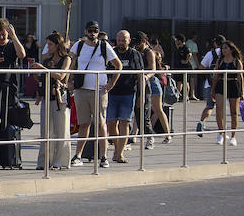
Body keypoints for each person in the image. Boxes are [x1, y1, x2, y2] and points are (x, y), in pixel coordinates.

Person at [70, 21, 122, 167]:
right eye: (90, 30)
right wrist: (69, 80)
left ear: (98, 32)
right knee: (83, 124)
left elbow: (118, 65)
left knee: (101, 123)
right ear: (85, 31)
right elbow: (71, 61)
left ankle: (104, 156)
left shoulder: (105, 46)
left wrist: (111, 84)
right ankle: (78, 155)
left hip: (99, 90)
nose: (92, 33)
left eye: (95, 30)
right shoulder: (79, 45)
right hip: (81, 90)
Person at [31, 31, 73, 170]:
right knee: (45, 131)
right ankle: (44, 161)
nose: (48, 47)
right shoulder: (47, 60)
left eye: (50, 44)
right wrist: (36, 70)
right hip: (46, 96)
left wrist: (44, 69)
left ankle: (60, 161)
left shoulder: (66, 59)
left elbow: (61, 75)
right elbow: (41, 78)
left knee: (61, 130)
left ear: (57, 45)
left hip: (60, 97)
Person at [106, 30, 143, 163]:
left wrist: (141, 96)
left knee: (124, 123)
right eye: (120, 40)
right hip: (112, 93)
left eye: (124, 40)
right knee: (111, 124)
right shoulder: (111, 53)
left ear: (129, 40)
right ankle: (117, 148)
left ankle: (120, 153)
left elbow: (140, 76)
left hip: (128, 93)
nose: (122, 42)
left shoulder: (135, 54)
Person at [136, 32, 171, 146]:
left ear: (144, 42)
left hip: (152, 82)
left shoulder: (149, 52)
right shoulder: (136, 52)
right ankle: (133, 136)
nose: (135, 45)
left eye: (138, 42)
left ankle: (167, 134)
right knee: (139, 109)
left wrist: (146, 76)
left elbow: (153, 69)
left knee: (158, 109)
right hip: (139, 83)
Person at [210, 41, 244, 147]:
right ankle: (221, 133)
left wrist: (242, 91)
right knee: (219, 110)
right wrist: (213, 90)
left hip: (233, 84)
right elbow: (216, 76)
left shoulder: (236, 61)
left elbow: (240, 77)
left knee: (234, 112)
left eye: (225, 48)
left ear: (231, 49)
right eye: (222, 49)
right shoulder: (220, 61)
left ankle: (233, 136)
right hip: (221, 84)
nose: (223, 50)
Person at [196, 36, 224, 135]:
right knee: (221, 109)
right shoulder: (227, 53)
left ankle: (201, 122)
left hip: (210, 84)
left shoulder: (210, 53)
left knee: (209, 106)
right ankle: (222, 132)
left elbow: (201, 67)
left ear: (215, 43)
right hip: (223, 85)